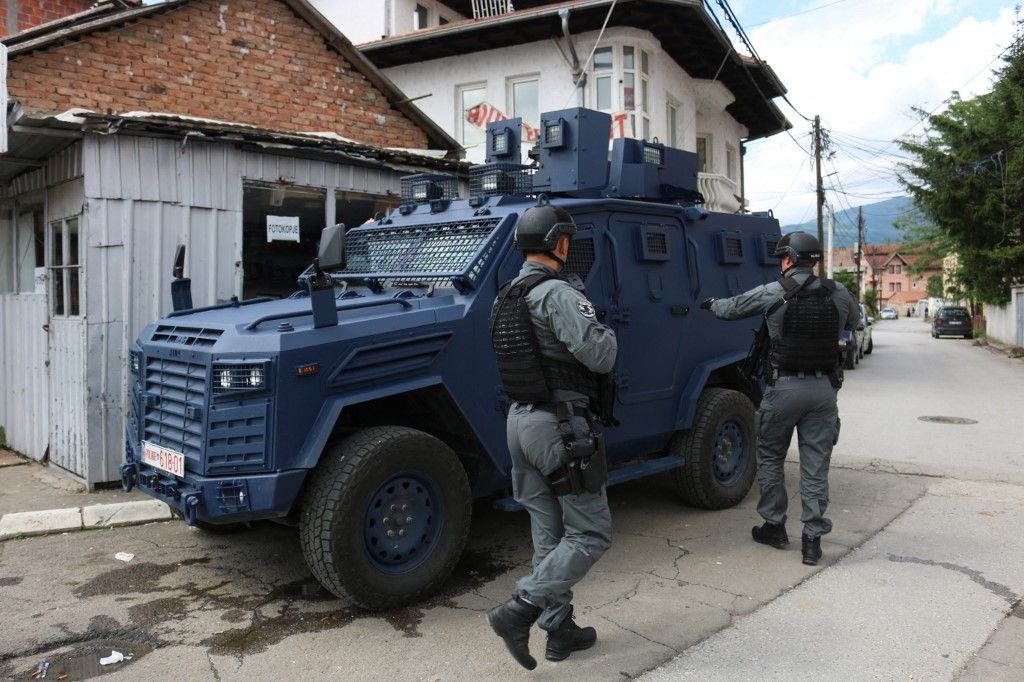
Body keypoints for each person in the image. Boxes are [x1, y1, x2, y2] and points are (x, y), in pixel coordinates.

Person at [487, 198, 618, 670]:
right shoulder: (559, 294)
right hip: (559, 428)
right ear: (559, 243)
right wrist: (597, 319)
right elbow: (601, 356)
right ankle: (519, 609)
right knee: (591, 533)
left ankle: (560, 630)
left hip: (519, 427)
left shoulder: (506, 295)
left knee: (548, 534)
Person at [698, 231, 859, 566]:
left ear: (787, 258)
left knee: (770, 456)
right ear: (814, 261)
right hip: (824, 391)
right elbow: (854, 321)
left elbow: (732, 309)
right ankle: (812, 539)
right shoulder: (839, 292)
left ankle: (774, 526)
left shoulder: (775, 291)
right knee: (816, 465)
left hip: (783, 388)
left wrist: (711, 304)